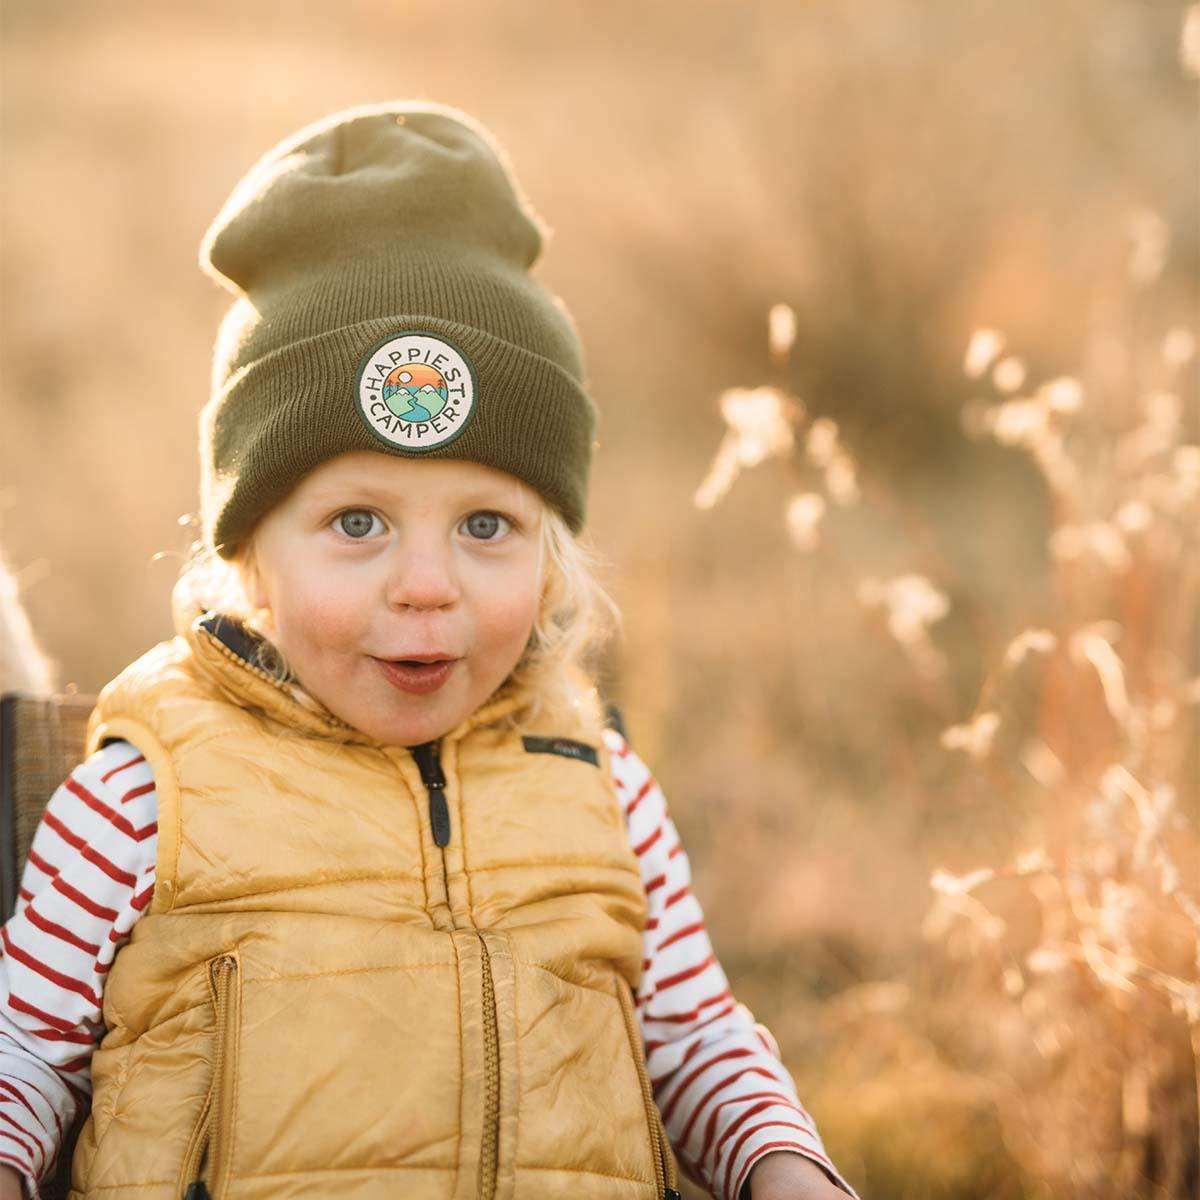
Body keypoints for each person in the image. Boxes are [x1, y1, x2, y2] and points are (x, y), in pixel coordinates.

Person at [0, 102, 860, 1200]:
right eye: (357, 522)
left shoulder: (602, 791)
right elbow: (25, 1057)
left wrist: (785, 1167)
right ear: (250, 553)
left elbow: (692, 1040)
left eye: (486, 527)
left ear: (551, 558)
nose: (424, 584)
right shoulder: (143, 801)